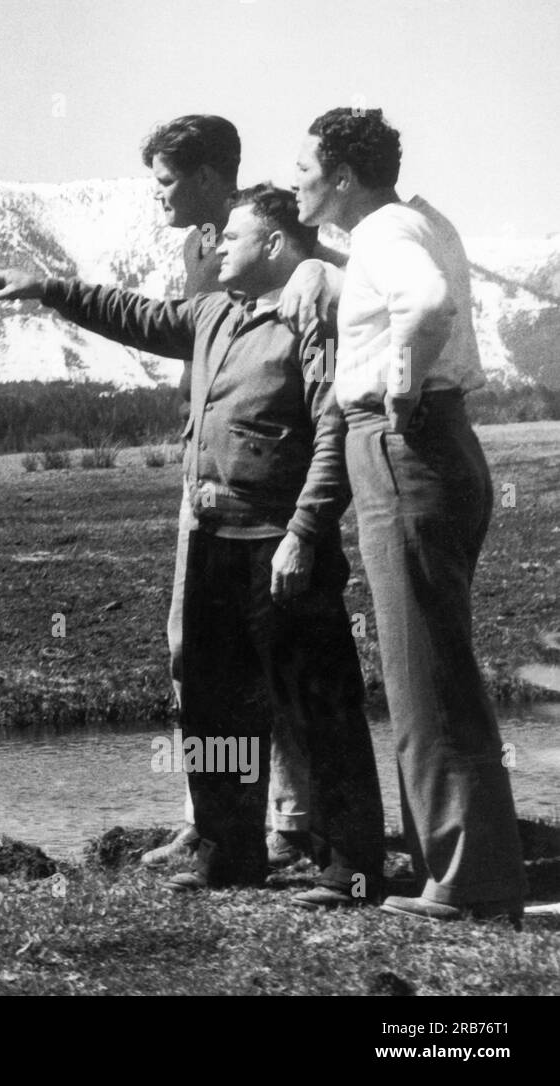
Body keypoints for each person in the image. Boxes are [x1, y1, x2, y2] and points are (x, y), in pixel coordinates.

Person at [0, 185, 386, 901]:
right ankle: (229, 858)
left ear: (275, 245)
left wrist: (305, 532)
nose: (216, 247)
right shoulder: (211, 313)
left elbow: (335, 429)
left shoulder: (311, 313)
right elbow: (132, 314)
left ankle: (349, 867)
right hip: (211, 541)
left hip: (281, 544)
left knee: (316, 706)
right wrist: (46, 289)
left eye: (232, 237)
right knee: (214, 706)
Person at [291, 108, 527, 925]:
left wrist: (397, 379)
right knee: (434, 660)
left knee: (424, 670)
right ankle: (453, 866)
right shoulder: (416, 220)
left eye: (306, 169)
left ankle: (469, 881)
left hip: (403, 445)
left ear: (343, 177)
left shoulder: (388, 234)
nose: (298, 183)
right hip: (439, 445)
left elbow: (426, 308)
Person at [136, 116, 315, 869]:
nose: (159, 197)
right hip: (201, 480)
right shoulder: (199, 250)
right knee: (195, 654)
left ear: (210, 176)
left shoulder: (269, 243)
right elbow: (186, 331)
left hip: (261, 494)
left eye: (168, 181)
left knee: (277, 661)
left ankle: (294, 820)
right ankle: (209, 817)